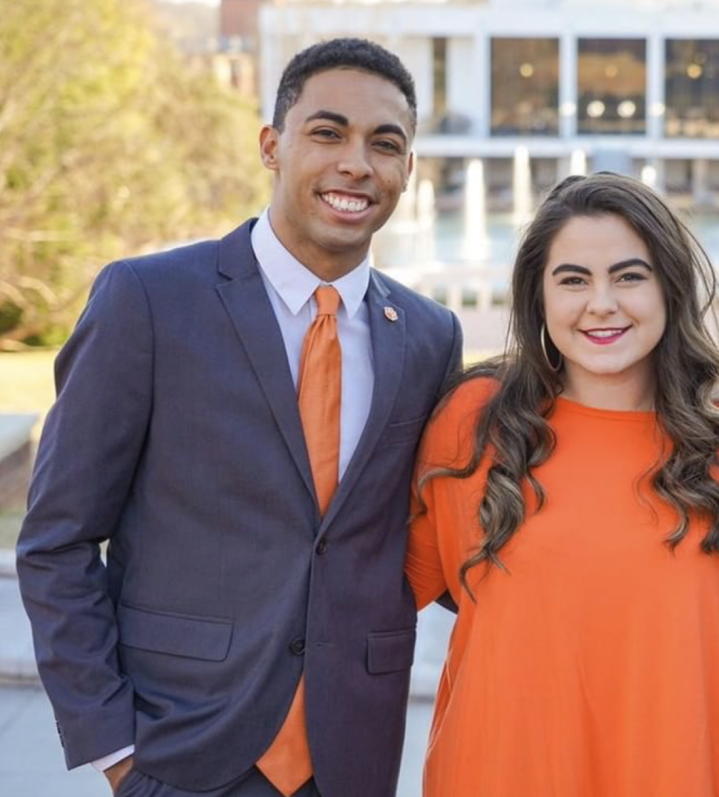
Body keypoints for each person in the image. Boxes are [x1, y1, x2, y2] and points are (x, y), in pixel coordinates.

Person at [17, 38, 461, 797]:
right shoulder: (148, 302)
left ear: (408, 169)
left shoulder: (427, 334)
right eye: (328, 133)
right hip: (178, 751)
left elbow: (439, 530)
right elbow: (56, 538)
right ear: (272, 145)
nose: (357, 163)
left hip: (351, 754)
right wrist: (114, 746)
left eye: (385, 144)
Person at [404, 172, 719, 797]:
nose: (602, 303)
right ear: (537, 298)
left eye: (629, 276)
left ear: (670, 288)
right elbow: (375, 593)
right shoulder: (475, 422)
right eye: (573, 280)